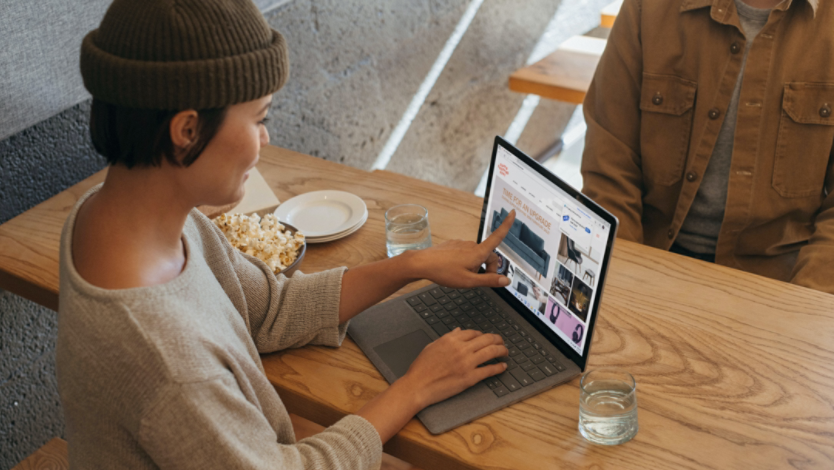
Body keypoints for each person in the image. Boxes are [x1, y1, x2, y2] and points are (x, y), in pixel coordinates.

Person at [57, 0, 517, 468]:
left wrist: (412, 265)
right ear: (188, 129)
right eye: (258, 119)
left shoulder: (122, 215)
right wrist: (416, 387)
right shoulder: (167, 360)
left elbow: (268, 308)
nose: (266, 139)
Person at [581, 0, 834, 294]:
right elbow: (609, 161)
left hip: (779, 278)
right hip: (648, 255)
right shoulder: (648, 8)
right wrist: (624, 282)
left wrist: (804, 302)